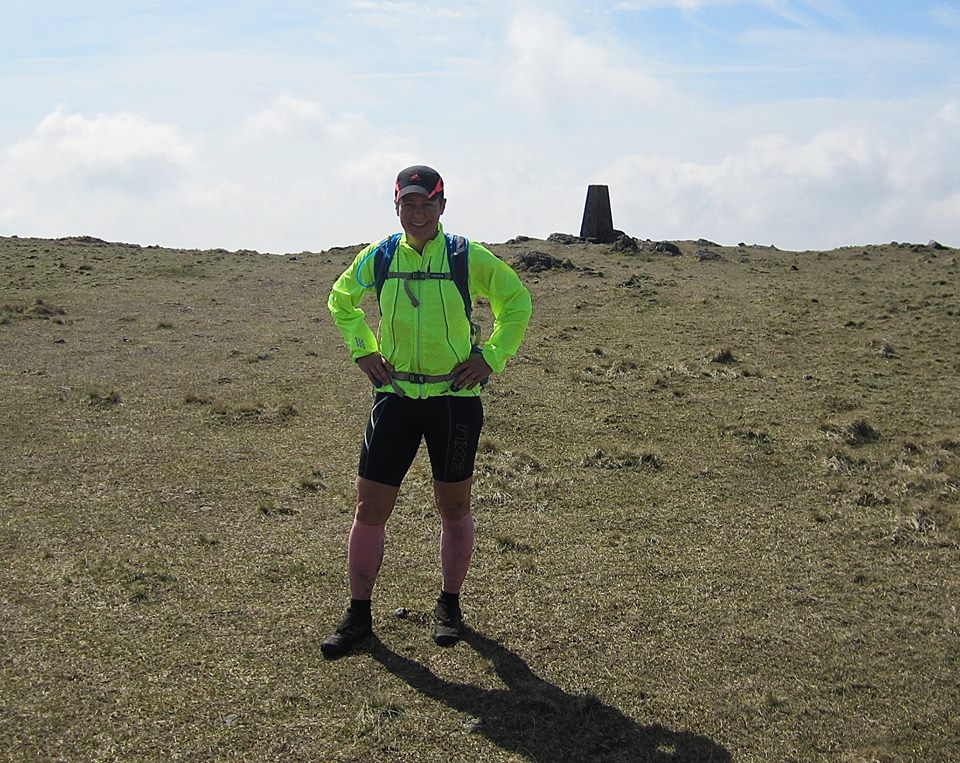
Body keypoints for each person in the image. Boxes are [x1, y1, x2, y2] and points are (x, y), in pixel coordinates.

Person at [323, 165, 532, 658]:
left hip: (453, 404)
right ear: (396, 207)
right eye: (408, 205)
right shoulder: (380, 256)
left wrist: (490, 358)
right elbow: (341, 299)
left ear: (442, 205)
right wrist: (362, 349)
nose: (417, 214)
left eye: (427, 204)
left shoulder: (465, 256)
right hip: (394, 398)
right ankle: (358, 616)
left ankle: (450, 606)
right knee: (370, 508)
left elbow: (516, 302)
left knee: (453, 506)